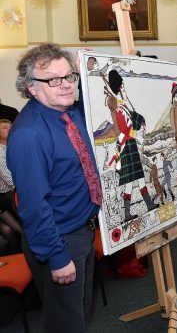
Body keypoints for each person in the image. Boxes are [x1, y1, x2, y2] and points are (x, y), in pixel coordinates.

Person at [6, 43, 102, 332]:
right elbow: (34, 207)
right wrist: (57, 257)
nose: (65, 85)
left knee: (79, 313)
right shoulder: (29, 134)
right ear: (32, 88)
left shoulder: (69, 111)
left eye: (68, 76)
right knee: (66, 324)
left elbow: (96, 96)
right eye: (53, 79)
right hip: (59, 238)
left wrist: (84, 66)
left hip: (83, 230)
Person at [101, 67, 158, 222]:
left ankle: (146, 205)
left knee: (136, 178)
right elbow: (124, 130)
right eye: (122, 85)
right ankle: (135, 209)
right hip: (127, 145)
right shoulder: (118, 109)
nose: (124, 87)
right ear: (120, 87)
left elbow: (134, 118)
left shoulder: (123, 105)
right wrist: (136, 135)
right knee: (131, 180)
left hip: (130, 144)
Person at [0, 119, 22, 256]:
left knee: (11, 230)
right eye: (4, 127)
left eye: (10, 126)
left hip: (14, 193)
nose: (9, 129)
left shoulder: (15, 147)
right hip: (6, 195)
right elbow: (10, 180)